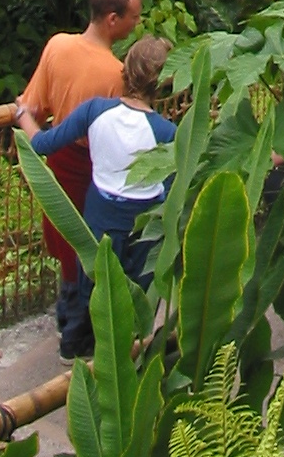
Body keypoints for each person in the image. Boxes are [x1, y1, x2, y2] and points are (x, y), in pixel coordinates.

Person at [13, 0, 142, 356]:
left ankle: (66, 323)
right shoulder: (117, 75)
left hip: (57, 159)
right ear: (112, 19)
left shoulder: (58, 45)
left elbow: (33, 106)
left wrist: (24, 120)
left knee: (68, 241)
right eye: (133, 17)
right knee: (90, 247)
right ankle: (76, 336)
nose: (137, 23)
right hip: (91, 165)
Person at [30, 37, 176, 330]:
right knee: (137, 307)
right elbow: (173, 191)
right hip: (144, 227)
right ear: (163, 84)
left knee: (96, 295)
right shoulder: (168, 132)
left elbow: (43, 143)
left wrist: (23, 117)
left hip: (100, 219)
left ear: (125, 70)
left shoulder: (94, 111)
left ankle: (78, 352)